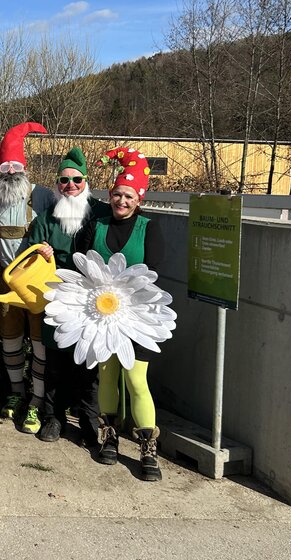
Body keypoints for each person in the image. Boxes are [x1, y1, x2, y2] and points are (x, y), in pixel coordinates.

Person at [76, 147, 165, 481]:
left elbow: (153, 271)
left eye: (128, 196)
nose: (121, 201)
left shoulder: (149, 228)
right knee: (109, 375)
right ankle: (110, 436)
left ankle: (147, 447)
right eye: (116, 195)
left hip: (139, 316)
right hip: (101, 316)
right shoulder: (96, 226)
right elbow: (81, 264)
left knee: (136, 379)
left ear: (138, 199)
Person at [25, 147, 108, 446]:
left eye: (76, 180)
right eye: (63, 181)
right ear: (57, 184)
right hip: (56, 295)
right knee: (55, 360)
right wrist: (39, 252)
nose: (70, 186)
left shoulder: (101, 213)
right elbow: (26, 254)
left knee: (88, 361)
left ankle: (88, 420)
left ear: (86, 181)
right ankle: (53, 417)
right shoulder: (46, 218)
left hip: (94, 299)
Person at [0, 122, 52, 434]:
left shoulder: (44, 197)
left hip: (37, 284)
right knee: (10, 341)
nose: (10, 173)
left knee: (39, 344)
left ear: (24, 168)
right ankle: (16, 392)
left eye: (15, 167)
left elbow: (66, 230)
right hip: (5, 282)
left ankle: (37, 401)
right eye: (5, 167)